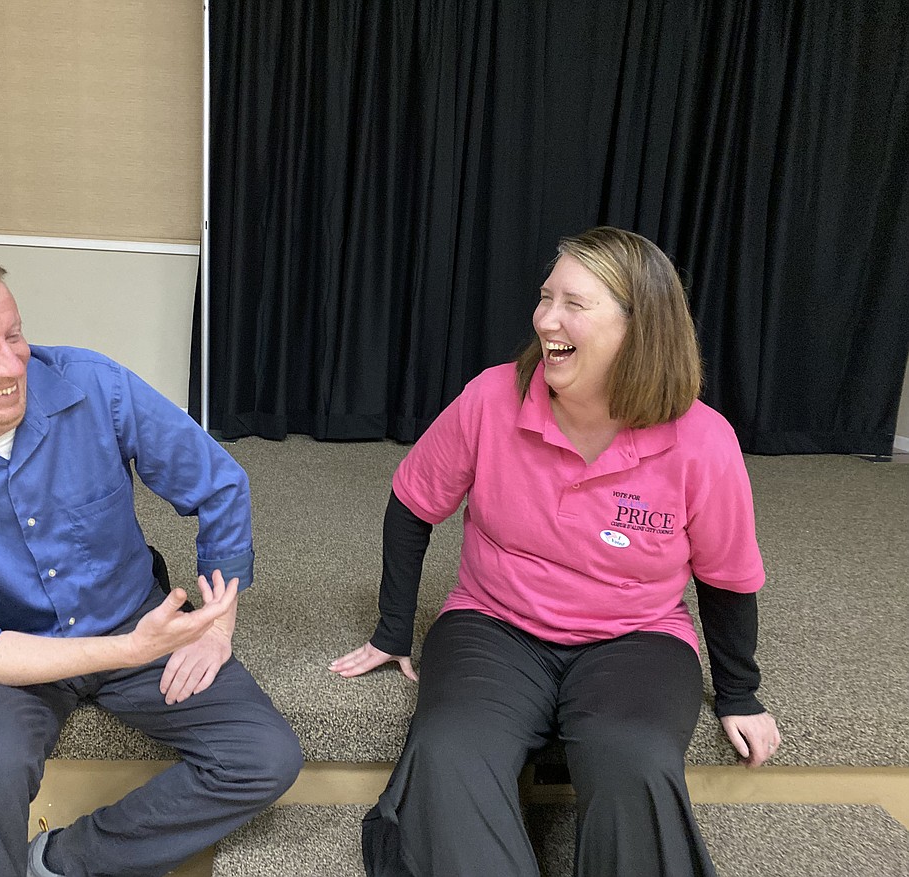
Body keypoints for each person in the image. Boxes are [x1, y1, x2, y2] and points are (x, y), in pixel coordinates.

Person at [330, 227, 781, 876]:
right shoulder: (491, 396)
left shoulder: (703, 441)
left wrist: (739, 692)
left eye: (574, 302)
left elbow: (727, 577)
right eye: (545, 297)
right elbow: (412, 502)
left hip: (638, 634)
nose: (546, 319)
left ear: (641, 325)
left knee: (636, 755)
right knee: (451, 748)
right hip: (493, 623)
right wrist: (393, 628)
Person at [0, 239, 302, 877]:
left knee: (263, 756)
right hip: (10, 653)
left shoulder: (95, 383)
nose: (10, 365)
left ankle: (63, 862)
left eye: (14, 334)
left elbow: (218, 484)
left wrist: (217, 622)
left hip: (131, 617)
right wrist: (130, 650)